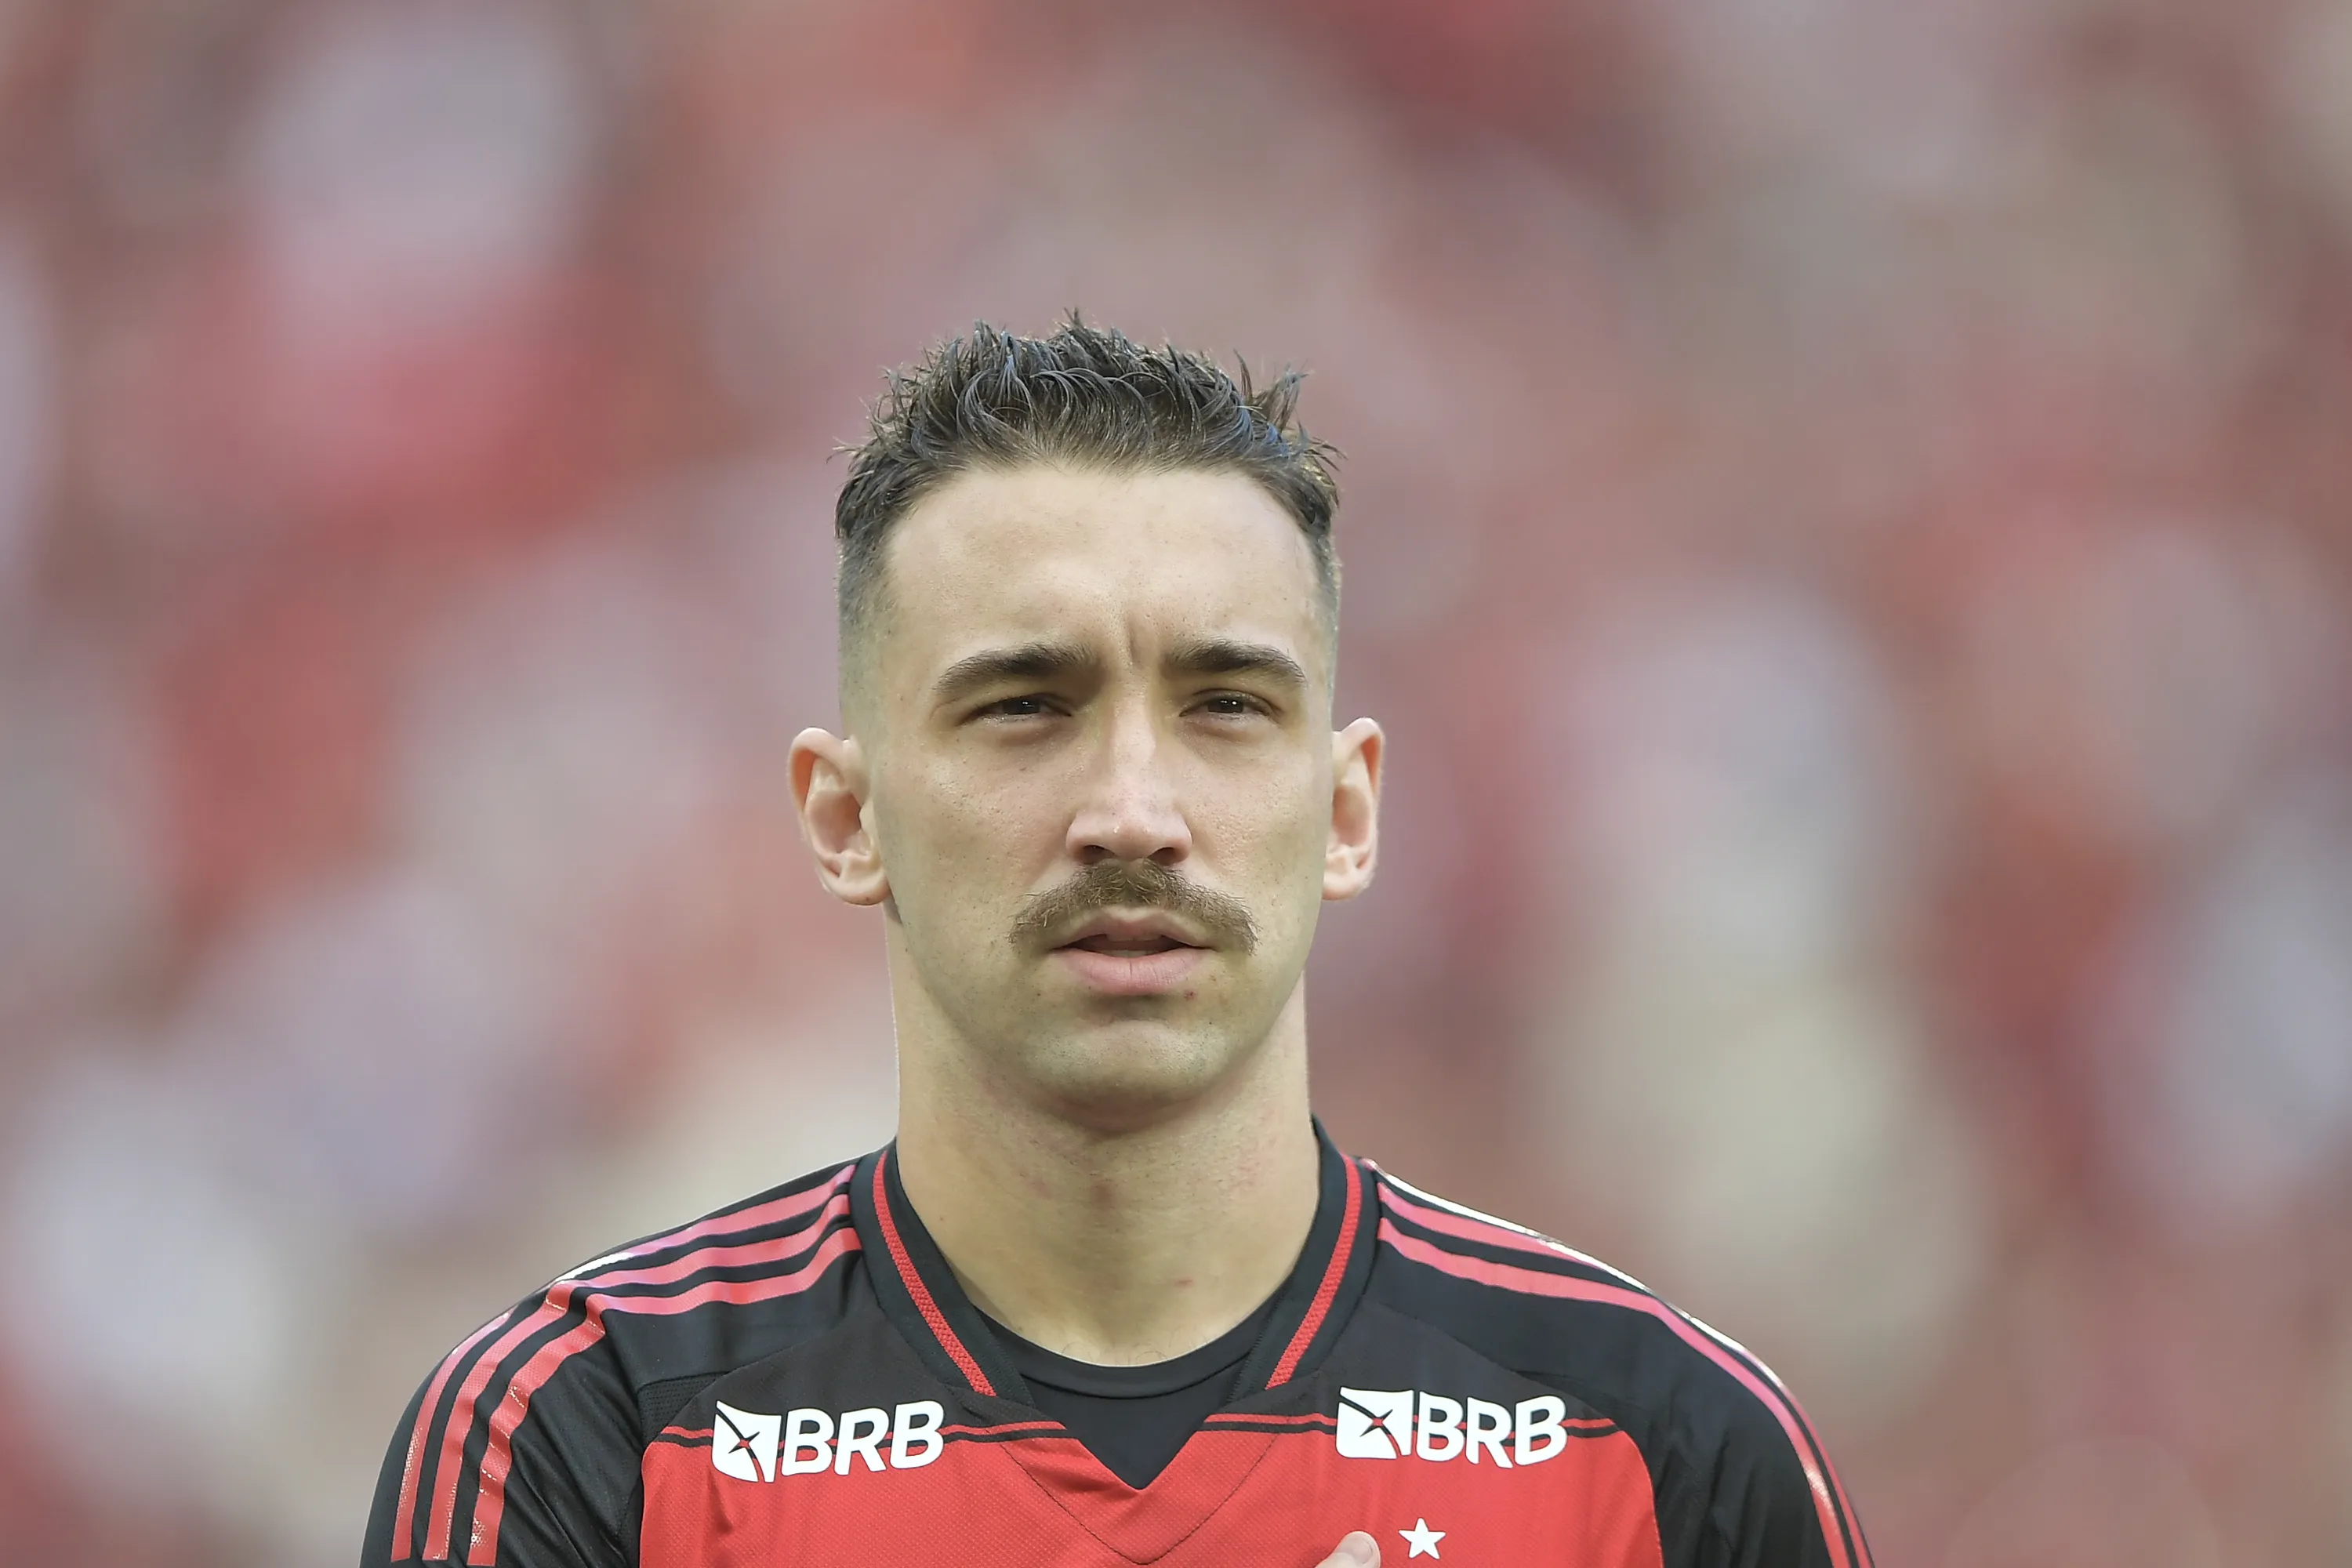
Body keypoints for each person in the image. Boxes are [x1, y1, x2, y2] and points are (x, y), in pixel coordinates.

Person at [364, 318, 1873, 1568]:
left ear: (1346, 811)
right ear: (847, 816)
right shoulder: (590, 1436)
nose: (1134, 812)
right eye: (1027, 704)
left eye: (1226, 705)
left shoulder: (1657, 1452)